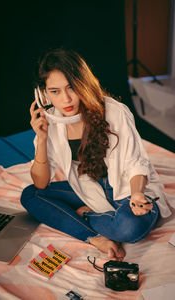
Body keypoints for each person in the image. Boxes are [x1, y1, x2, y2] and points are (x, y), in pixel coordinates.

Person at [20, 48, 171, 261]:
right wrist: (42, 139)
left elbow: (136, 163)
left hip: (128, 187)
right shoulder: (51, 121)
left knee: (129, 229)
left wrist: (137, 194)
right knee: (30, 195)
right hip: (88, 188)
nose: (66, 99)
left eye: (71, 87)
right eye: (55, 91)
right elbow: (41, 183)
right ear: (42, 94)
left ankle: (85, 215)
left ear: (83, 83)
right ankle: (94, 237)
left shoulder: (114, 111)